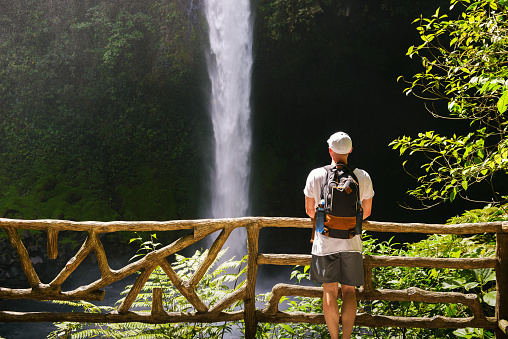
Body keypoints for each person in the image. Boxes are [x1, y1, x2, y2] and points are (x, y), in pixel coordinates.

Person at [303, 131, 374, 339]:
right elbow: (367, 211)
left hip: (324, 241)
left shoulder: (316, 175)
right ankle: (347, 338)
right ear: (350, 150)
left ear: (330, 150)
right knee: (350, 291)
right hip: (352, 242)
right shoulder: (362, 176)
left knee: (329, 291)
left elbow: (309, 210)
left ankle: (334, 338)